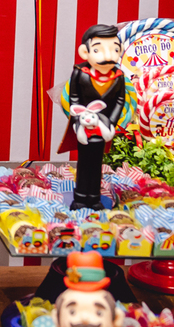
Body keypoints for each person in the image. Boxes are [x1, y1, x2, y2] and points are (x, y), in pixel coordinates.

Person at [58, 25, 125, 211]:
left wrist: (111, 122)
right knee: (84, 162)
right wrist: (78, 118)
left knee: (97, 164)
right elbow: (74, 97)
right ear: (84, 52)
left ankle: (94, 197)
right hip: (83, 125)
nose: (107, 55)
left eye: (114, 49)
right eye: (98, 49)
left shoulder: (118, 78)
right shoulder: (80, 73)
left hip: (103, 127)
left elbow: (120, 101)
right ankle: (80, 196)